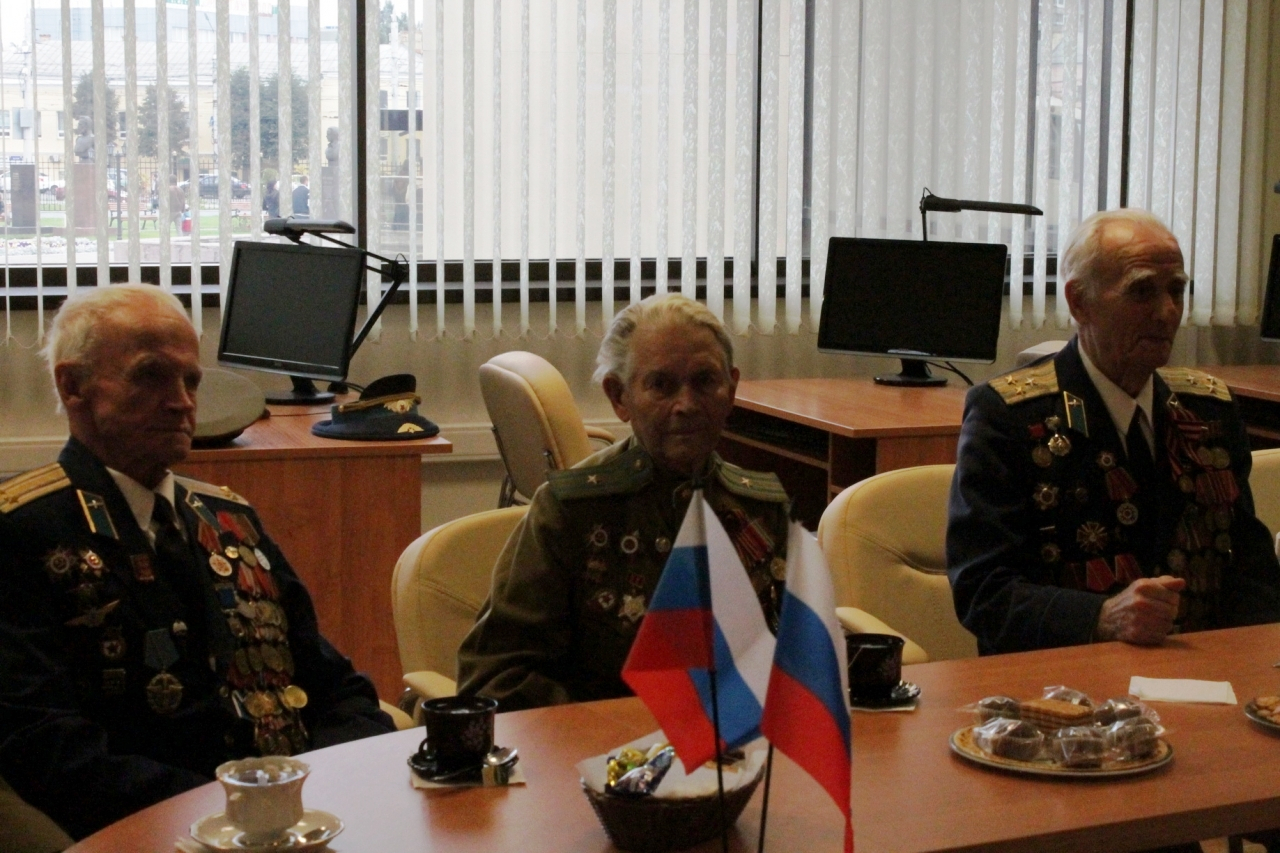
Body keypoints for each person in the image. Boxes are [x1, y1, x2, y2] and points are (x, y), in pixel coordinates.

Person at [0, 285, 394, 840]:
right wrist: (230, 811)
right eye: (150, 376)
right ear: (74, 385)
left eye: (190, 381)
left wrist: (324, 783)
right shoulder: (25, 533)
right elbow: (43, 746)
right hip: (148, 831)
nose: (181, 401)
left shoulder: (227, 519)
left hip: (293, 819)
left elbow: (336, 686)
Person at [948, 209, 1280, 657]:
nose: (1167, 312)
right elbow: (983, 590)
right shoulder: (1008, 417)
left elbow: (1252, 570)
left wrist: (1250, 664)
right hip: (1064, 674)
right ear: (1079, 302)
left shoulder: (1208, 411)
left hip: (1200, 668)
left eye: (1176, 290)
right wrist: (1101, 617)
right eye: (1141, 291)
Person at [457, 294, 791, 711]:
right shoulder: (573, 511)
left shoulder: (761, 510)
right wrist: (616, 727)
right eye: (661, 385)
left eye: (705, 381)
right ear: (619, 397)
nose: (686, 405)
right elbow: (492, 677)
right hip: (601, 744)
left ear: (731, 389)